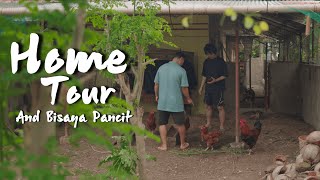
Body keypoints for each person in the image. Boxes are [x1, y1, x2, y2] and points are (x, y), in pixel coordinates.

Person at [154, 52, 193, 151]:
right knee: (180, 123)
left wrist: (157, 95)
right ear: (180, 59)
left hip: (162, 102)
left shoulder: (161, 68)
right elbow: (184, 88)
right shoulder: (181, 71)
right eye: (183, 61)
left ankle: (164, 145)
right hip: (176, 102)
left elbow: (156, 85)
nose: (182, 63)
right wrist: (188, 98)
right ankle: (183, 144)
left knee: (162, 123)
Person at [198, 43, 228, 132]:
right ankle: (208, 123)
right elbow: (204, 76)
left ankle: (222, 126)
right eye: (206, 54)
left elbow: (225, 75)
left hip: (218, 88)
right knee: (208, 106)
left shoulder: (221, 62)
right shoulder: (206, 62)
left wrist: (216, 80)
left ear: (212, 52)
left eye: (208, 53)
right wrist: (201, 87)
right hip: (208, 88)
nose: (207, 55)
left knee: (220, 107)